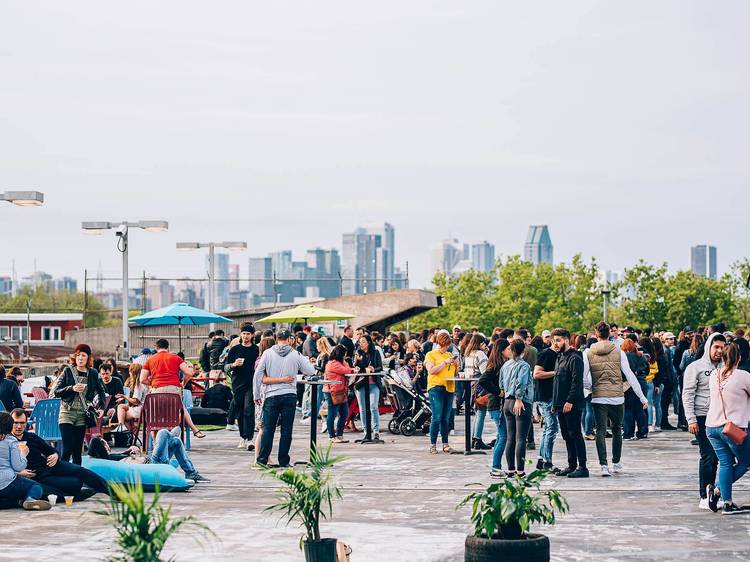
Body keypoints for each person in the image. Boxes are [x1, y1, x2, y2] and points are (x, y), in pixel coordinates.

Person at [583, 322, 648, 477]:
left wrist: (592, 388)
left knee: (600, 430)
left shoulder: (587, 353)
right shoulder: (619, 352)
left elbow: (583, 377)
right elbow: (630, 376)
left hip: (598, 397)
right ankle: (616, 462)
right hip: (617, 397)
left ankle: (603, 466)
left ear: (596, 333)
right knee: (617, 429)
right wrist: (642, 397)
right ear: (610, 334)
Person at [9, 408, 109, 501]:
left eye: (22, 423)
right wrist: (18, 473)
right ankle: (78, 496)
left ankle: (112, 491)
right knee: (67, 486)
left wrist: (55, 455)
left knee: (80, 471)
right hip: (35, 477)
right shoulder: (6, 441)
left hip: (49, 466)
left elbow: (51, 450)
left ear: (26, 423)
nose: (18, 426)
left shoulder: (31, 437)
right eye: (15, 423)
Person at [253, 330, 316, 467]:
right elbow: (311, 371)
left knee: (268, 429)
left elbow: (258, 374)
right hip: (289, 395)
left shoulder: (267, 353)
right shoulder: (295, 354)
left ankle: (262, 460)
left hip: (271, 395)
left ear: (277, 339)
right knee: (286, 430)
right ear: (289, 339)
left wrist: (256, 394)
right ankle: (284, 461)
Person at [705, 343, 750, 514]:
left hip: (711, 427)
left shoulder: (714, 374)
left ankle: (727, 503)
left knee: (725, 463)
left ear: (722, 358)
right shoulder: (743, 376)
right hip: (732, 429)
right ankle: (717, 490)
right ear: (739, 357)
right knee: (746, 461)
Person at [683, 333, 725, 509]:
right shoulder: (695, 367)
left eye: (722, 347)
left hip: (721, 417)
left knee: (722, 458)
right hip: (701, 417)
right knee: (708, 456)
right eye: (716, 347)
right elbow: (687, 394)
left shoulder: (725, 367)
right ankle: (704, 495)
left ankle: (714, 494)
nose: (719, 351)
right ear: (709, 346)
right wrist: (691, 419)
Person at [50, 344, 107, 466]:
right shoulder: (68, 371)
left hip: (82, 413)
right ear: (74, 357)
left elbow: (101, 391)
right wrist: (72, 388)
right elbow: (56, 391)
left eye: (83, 355)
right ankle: (63, 477)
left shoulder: (92, 373)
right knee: (67, 448)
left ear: (88, 358)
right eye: (78, 355)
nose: (80, 358)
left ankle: (78, 477)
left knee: (77, 451)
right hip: (67, 412)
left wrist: (102, 407)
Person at [88, 428, 209, 483]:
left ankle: (191, 473)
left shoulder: (111, 456)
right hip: (153, 463)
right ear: (101, 449)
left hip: (150, 459)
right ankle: (170, 436)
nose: (107, 445)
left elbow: (126, 459)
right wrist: (134, 457)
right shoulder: (106, 460)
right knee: (163, 432)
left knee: (176, 442)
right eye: (104, 444)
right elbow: (95, 443)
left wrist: (131, 452)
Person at [140, 339, 205, 439]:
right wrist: (183, 383)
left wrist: (152, 383)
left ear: (156, 347)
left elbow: (142, 379)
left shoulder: (150, 360)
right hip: (174, 389)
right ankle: (195, 429)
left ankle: (155, 442)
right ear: (168, 347)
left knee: (155, 413)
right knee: (181, 408)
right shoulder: (176, 358)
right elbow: (189, 373)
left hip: (157, 390)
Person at [551, 329, 588, 478]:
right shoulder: (559, 357)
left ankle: (582, 467)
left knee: (575, 434)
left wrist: (570, 401)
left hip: (571, 404)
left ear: (566, 340)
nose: (555, 343)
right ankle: (572, 465)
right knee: (566, 435)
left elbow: (577, 382)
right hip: (560, 404)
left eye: (558, 340)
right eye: (554, 340)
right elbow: (557, 381)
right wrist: (555, 403)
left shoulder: (575, 358)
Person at [0, 412, 51, 510]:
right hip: (7, 483)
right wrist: (23, 454)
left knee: (8, 499)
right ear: (10, 427)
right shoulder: (11, 441)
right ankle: (29, 500)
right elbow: (18, 467)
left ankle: (18, 502)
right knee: (35, 486)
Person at [500, 339, 534, 476]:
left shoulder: (505, 365)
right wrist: (519, 399)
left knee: (510, 438)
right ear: (523, 351)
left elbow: (501, 383)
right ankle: (520, 471)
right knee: (521, 438)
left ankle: (510, 469)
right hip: (520, 401)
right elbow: (521, 383)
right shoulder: (524, 366)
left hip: (507, 402)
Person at [224, 323, 260, 451]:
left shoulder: (256, 350)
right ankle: (242, 437)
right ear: (241, 334)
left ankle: (249, 438)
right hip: (237, 383)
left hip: (252, 383)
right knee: (239, 410)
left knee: (249, 410)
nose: (245, 336)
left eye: (248, 334)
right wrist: (234, 364)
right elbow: (226, 367)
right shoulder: (235, 349)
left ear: (252, 335)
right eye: (244, 333)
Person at [478, 340, 510, 478]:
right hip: (496, 404)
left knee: (500, 436)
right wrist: (498, 392)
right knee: (503, 436)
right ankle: (496, 468)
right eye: (508, 348)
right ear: (501, 350)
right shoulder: (495, 365)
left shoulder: (502, 364)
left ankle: (496, 467)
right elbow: (483, 380)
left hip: (497, 405)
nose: (510, 350)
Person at [424, 331, 458, 454]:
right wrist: (445, 363)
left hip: (449, 387)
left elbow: (454, 373)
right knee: (437, 417)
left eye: (448, 345)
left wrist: (455, 364)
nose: (447, 347)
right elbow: (431, 370)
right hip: (436, 387)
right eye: (445, 345)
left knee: (445, 417)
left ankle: (445, 444)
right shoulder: (431, 354)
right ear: (440, 343)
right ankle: (433, 445)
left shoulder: (449, 354)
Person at [533, 335, 560, 471]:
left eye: (560, 340)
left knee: (548, 428)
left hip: (551, 396)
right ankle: (547, 462)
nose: (558, 343)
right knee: (552, 427)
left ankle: (541, 459)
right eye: (556, 340)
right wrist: (555, 373)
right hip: (545, 396)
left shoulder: (559, 355)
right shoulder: (545, 354)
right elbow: (536, 374)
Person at [353, 335, 384, 440]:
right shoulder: (358, 353)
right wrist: (358, 361)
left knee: (374, 407)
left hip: (374, 384)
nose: (361, 344)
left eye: (363, 342)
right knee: (362, 409)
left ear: (369, 343)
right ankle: (366, 431)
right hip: (361, 384)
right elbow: (355, 368)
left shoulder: (376, 353)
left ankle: (376, 432)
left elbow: (380, 367)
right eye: (360, 342)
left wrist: (373, 368)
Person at [463, 334, 490, 451]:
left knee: (477, 413)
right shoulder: (480, 354)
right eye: (483, 343)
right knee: (481, 412)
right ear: (479, 343)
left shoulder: (468, 353)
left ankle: (474, 438)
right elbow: (485, 371)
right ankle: (477, 439)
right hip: (481, 385)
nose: (485, 345)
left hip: (471, 385)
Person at [621, 339, 649, 440]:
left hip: (629, 384)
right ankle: (642, 432)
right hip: (642, 382)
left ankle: (628, 433)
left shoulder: (625, 357)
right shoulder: (641, 356)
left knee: (628, 409)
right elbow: (648, 369)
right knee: (641, 409)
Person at [324, 345, 352, 443]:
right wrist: (346, 363)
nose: (345, 356)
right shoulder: (333, 364)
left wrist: (345, 363)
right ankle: (331, 436)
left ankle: (339, 434)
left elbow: (347, 368)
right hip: (332, 391)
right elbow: (347, 370)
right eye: (344, 354)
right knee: (332, 414)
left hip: (340, 391)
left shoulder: (339, 363)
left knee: (344, 412)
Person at [114, 363, 148, 432]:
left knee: (123, 417)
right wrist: (124, 398)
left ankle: (125, 431)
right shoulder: (144, 383)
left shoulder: (139, 385)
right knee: (121, 407)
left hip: (140, 410)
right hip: (145, 408)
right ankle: (125, 429)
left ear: (133, 373)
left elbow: (136, 401)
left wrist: (124, 397)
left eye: (130, 372)